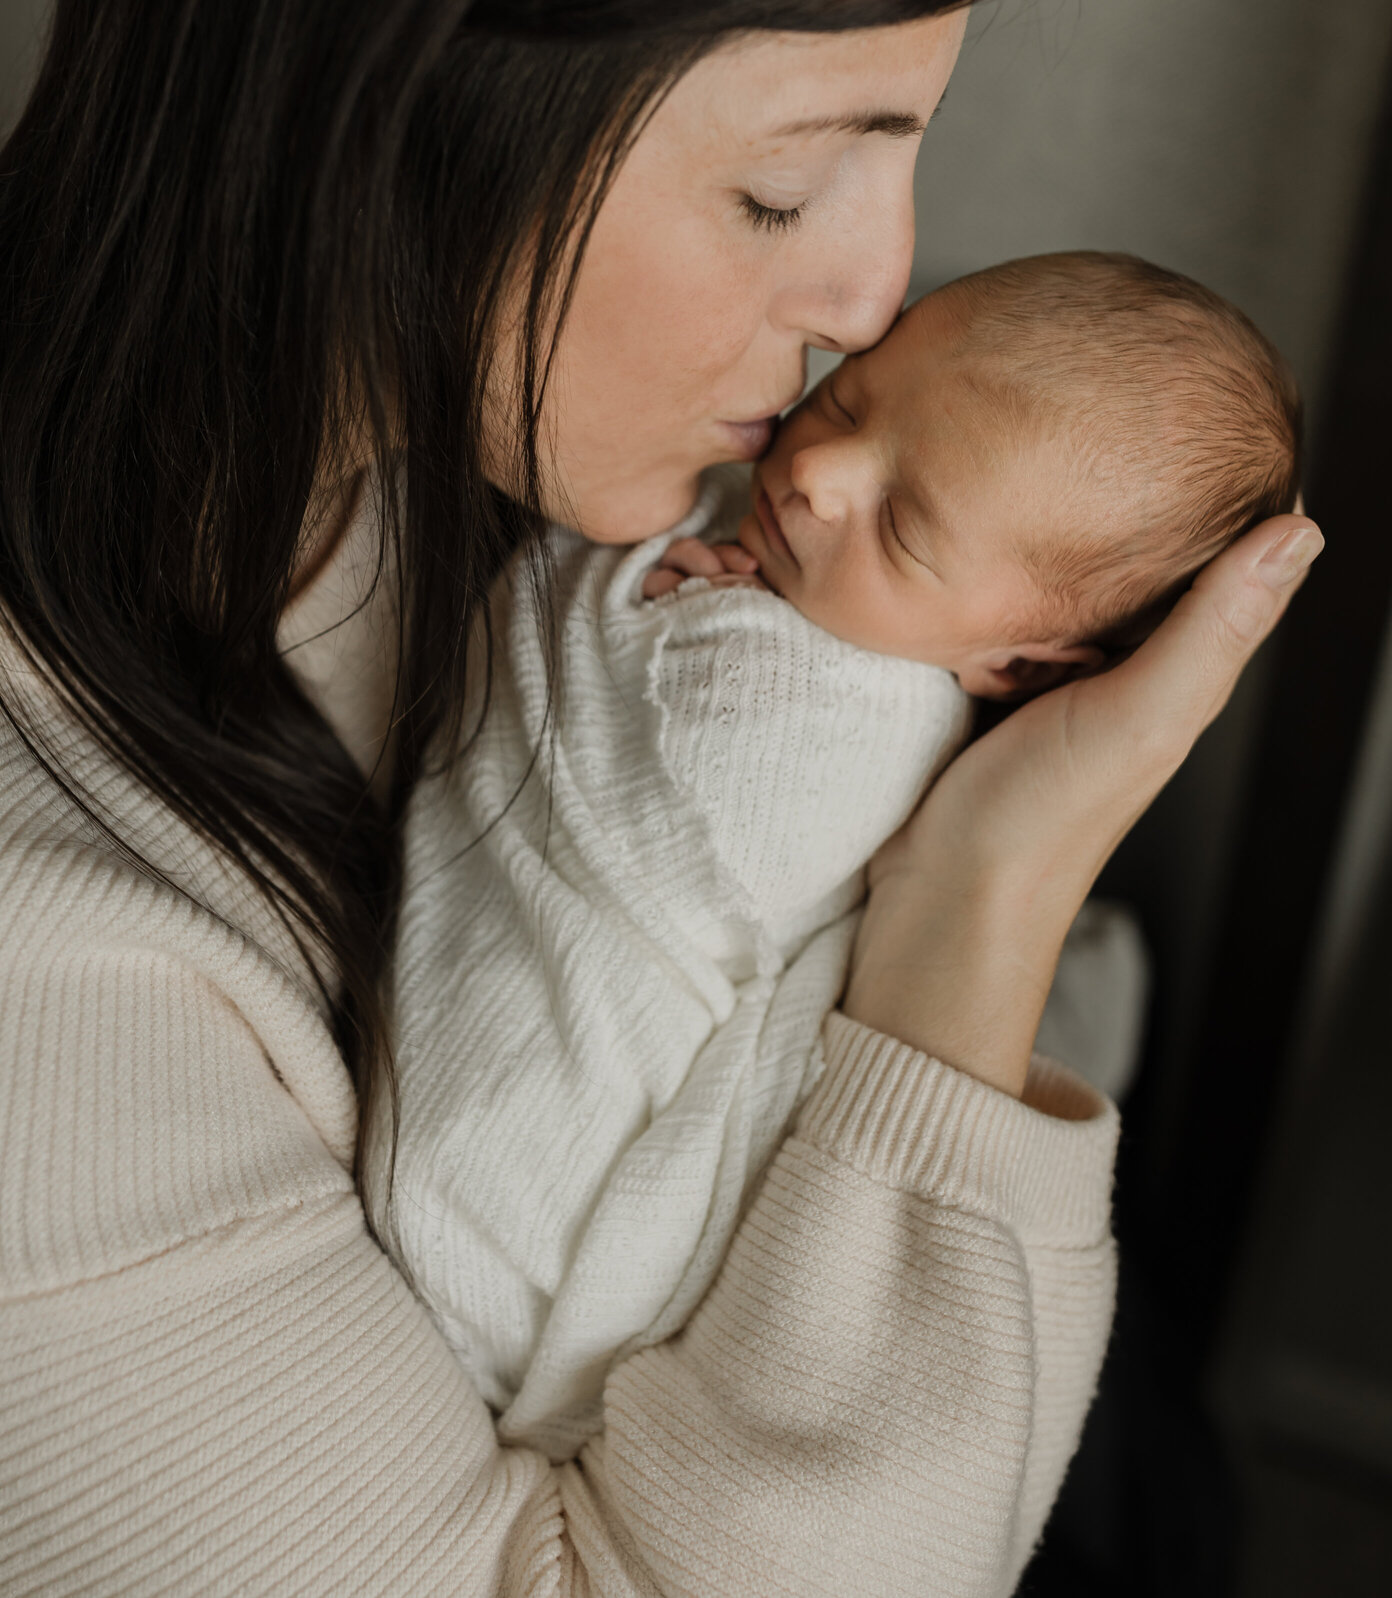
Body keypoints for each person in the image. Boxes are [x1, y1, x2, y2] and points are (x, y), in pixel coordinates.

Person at [0, 0, 1319, 1593]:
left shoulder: (447, 452)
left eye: (895, 167)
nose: (867, 298)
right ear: (404, 91)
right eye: (782, 192)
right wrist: (977, 908)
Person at [379, 250, 1302, 1459]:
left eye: (905, 522)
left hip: (496, 1234)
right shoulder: (798, 559)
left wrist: (623, 589)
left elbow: (594, 678)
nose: (815, 472)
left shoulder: (845, 729)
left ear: (1014, 669)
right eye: (853, 395)